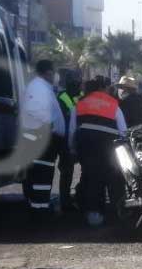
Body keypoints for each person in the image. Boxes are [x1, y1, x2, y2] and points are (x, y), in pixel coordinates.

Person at [70, 79, 127, 227]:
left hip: (87, 147)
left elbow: (72, 130)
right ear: (102, 89)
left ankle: (94, 215)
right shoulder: (113, 104)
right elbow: (123, 130)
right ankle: (117, 212)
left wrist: (72, 148)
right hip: (109, 148)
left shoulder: (80, 104)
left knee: (91, 179)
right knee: (114, 178)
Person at [20, 60, 66, 217]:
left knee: (41, 175)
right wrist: (50, 126)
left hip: (41, 138)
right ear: (48, 72)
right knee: (41, 176)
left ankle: (39, 206)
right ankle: (39, 209)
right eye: (54, 72)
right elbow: (35, 110)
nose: (56, 75)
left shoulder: (42, 87)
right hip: (41, 139)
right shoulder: (39, 87)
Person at [56, 77, 81, 212]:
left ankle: (75, 197)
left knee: (79, 170)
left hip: (79, 137)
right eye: (75, 86)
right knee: (67, 170)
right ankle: (64, 200)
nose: (77, 88)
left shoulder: (80, 95)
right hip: (65, 139)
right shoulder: (62, 97)